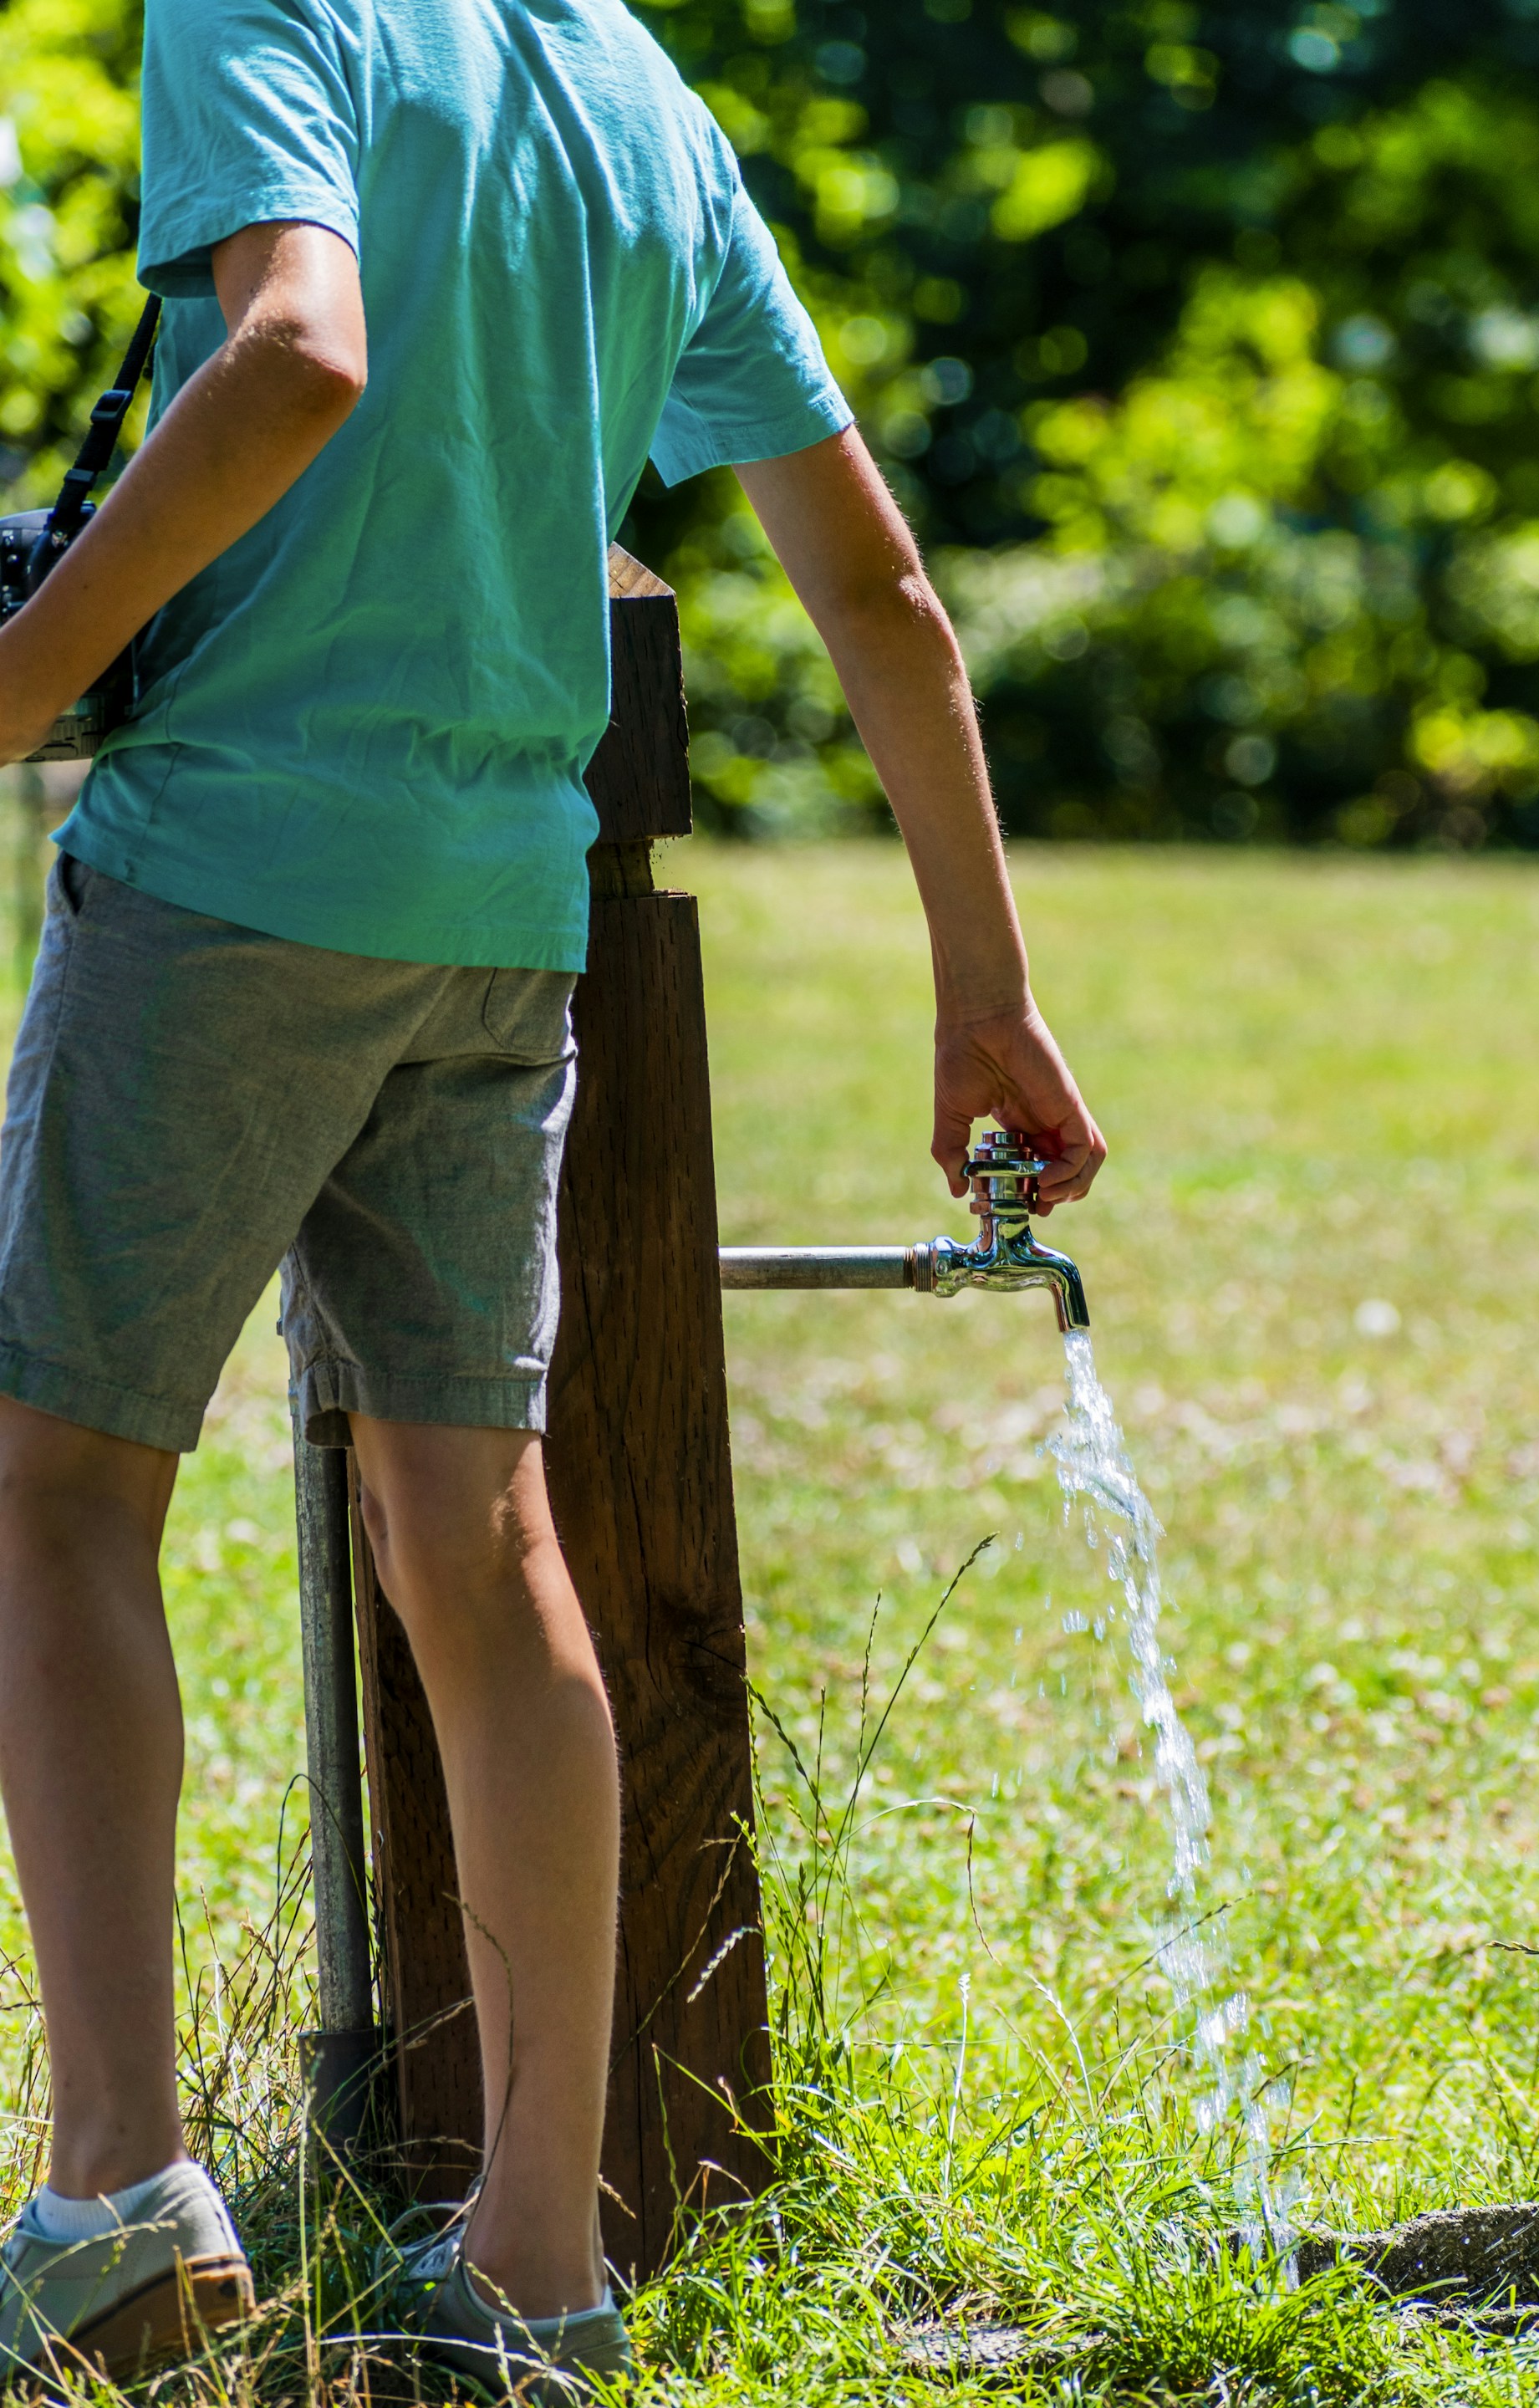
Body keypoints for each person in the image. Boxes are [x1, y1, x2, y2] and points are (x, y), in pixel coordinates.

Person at [0, 0, 1106, 2389]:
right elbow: (882, 584)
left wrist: (16, 683)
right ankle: (535, 2269)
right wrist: (983, 990)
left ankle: (114, 2192)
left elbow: (297, 355)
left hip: (229, 873)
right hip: (508, 906)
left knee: (58, 1489)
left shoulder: (261, 13)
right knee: (481, 1545)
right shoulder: (632, 90)